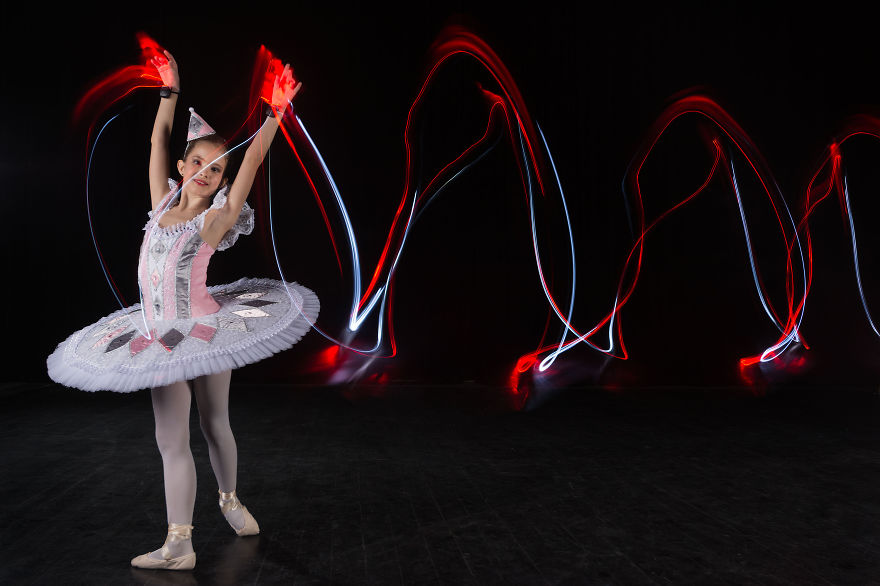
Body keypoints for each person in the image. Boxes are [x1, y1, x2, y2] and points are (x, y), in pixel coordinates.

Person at [47, 48, 320, 570]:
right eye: (198, 162)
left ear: (220, 182)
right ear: (182, 167)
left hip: (203, 330)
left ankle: (229, 499)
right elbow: (156, 138)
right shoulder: (160, 204)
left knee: (215, 421)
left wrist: (276, 115)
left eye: (216, 169)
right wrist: (168, 89)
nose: (207, 172)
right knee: (170, 438)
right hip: (157, 335)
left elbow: (253, 162)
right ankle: (181, 543)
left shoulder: (214, 221)